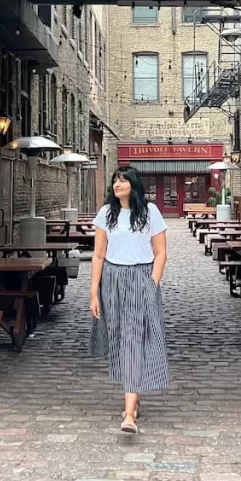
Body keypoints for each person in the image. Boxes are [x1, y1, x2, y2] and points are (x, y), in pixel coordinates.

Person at [88, 165, 169, 434]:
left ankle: (129, 415)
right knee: (119, 339)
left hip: (140, 277)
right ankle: (134, 396)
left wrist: (152, 283)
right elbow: (98, 255)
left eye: (123, 180)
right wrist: (93, 291)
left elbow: (161, 253)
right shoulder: (106, 213)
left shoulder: (150, 212)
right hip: (112, 279)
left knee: (133, 340)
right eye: (115, 180)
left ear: (134, 184)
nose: (117, 184)